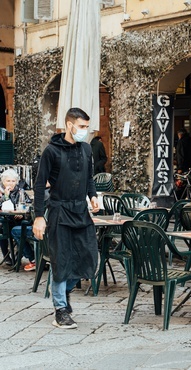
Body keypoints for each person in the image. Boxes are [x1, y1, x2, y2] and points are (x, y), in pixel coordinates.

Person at [32, 107, 100, 330]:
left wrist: (93, 197)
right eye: (82, 127)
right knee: (61, 259)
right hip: (59, 210)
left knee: (89, 257)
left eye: (87, 127)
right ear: (70, 125)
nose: (85, 131)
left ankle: (64, 291)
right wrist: (39, 216)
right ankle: (60, 308)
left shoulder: (87, 149)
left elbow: (89, 178)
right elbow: (40, 185)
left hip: (81, 211)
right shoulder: (51, 151)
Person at [0, 169, 33, 268]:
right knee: (3, 228)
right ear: (3, 182)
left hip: (18, 220)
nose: (11, 183)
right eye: (8, 181)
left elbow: (28, 207)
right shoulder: (1, 193)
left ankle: (19, 255)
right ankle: (7, 256)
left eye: (13, 181)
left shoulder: (21, 192)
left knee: (20, 227)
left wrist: (22, 215)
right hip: (4, 221)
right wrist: (5, 196)